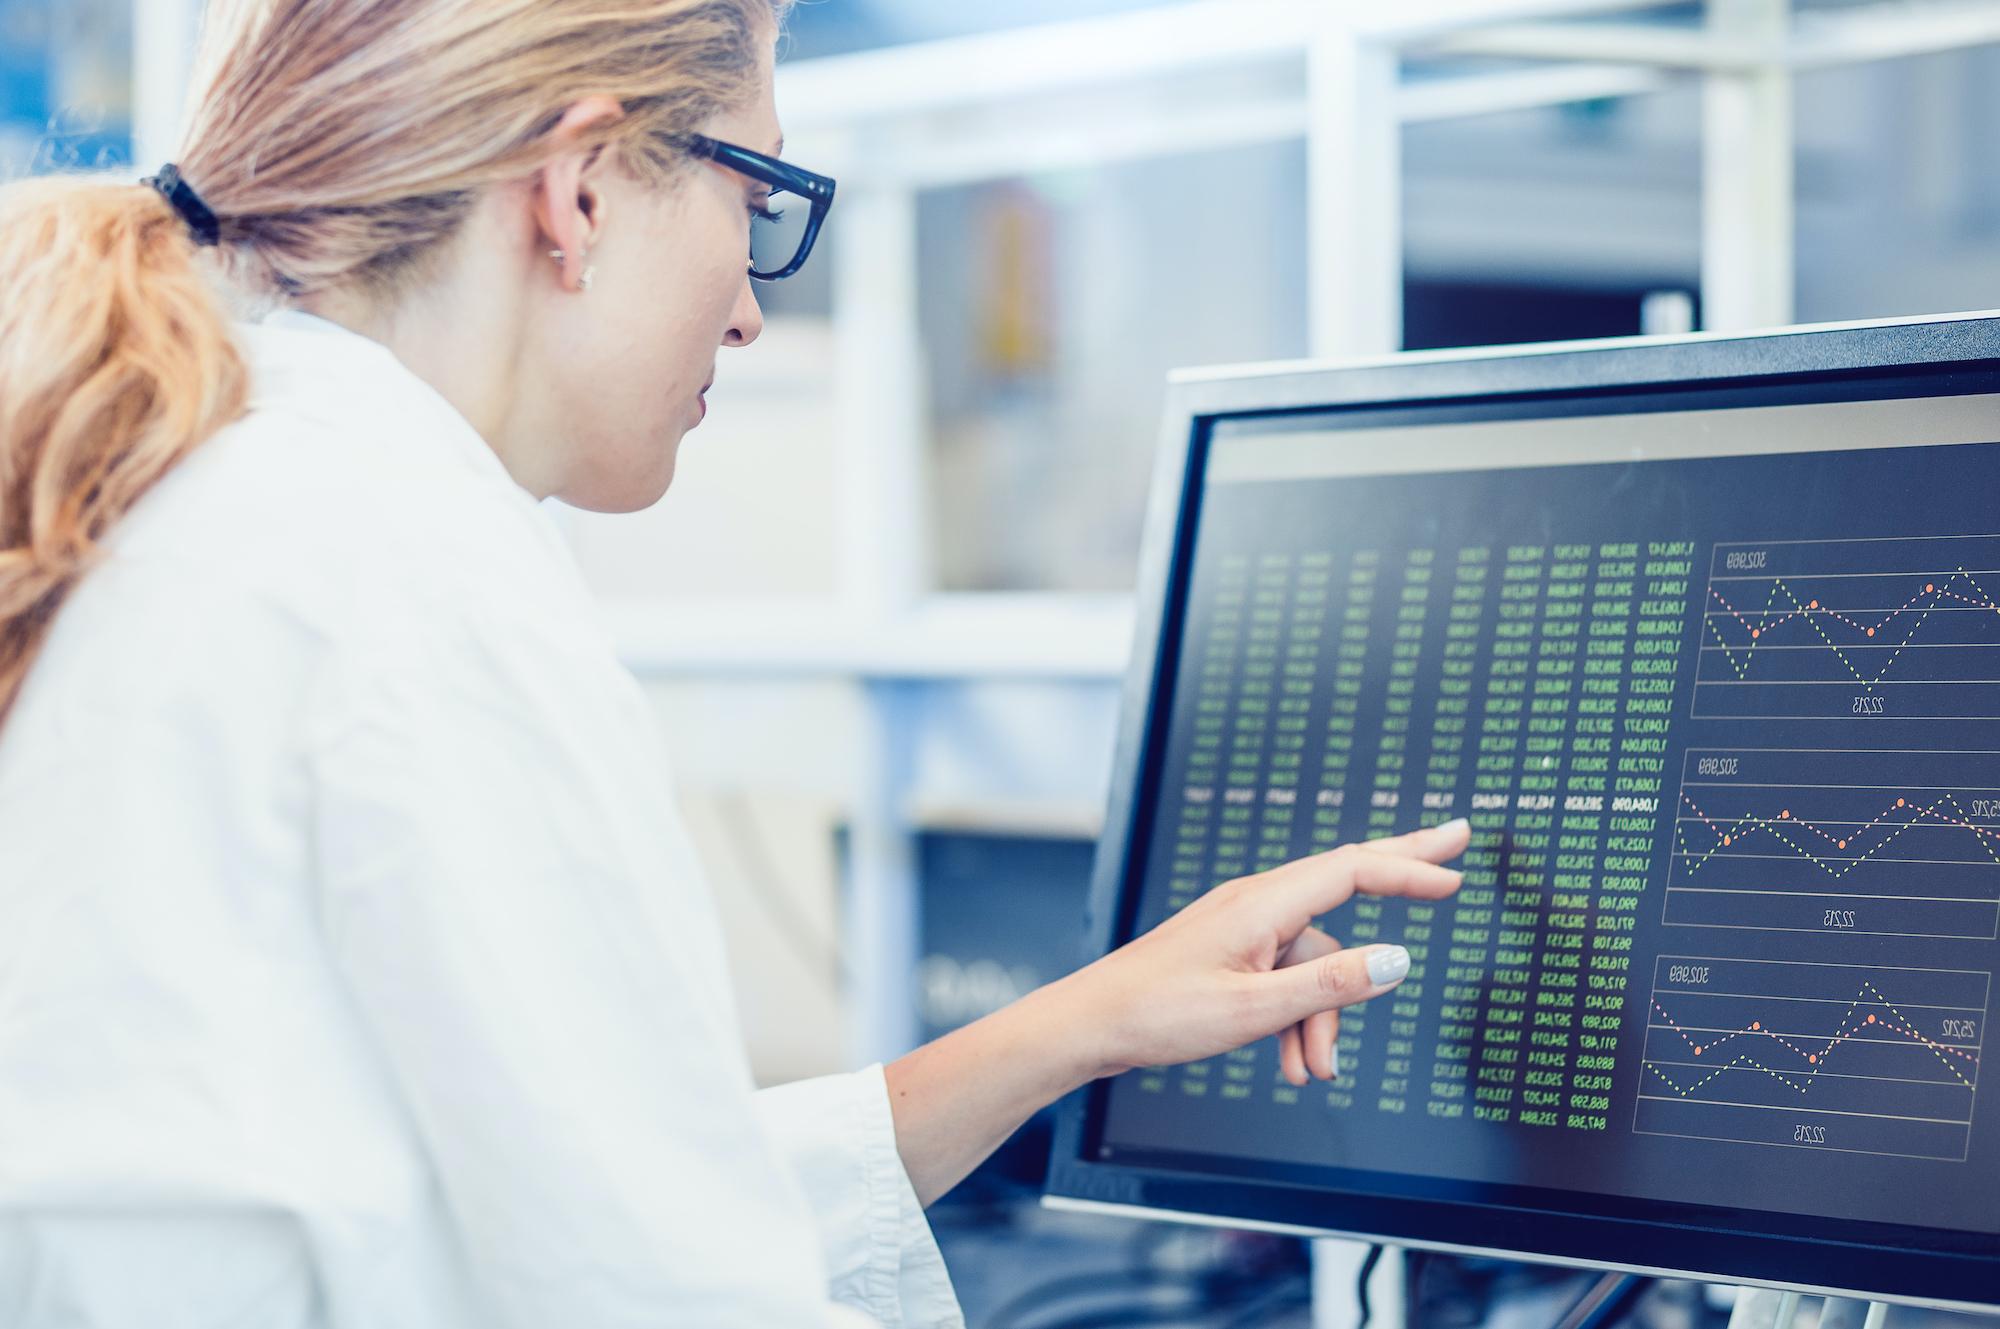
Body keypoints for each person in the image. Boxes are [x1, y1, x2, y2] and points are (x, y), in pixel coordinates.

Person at [0, 1, 1469, 1324]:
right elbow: (659, 1290)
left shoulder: (220, 477)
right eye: (757, 196)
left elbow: (566, 1192)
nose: (754, 304)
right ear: (576, 191)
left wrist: (1077, 1028)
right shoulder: (412, 578)